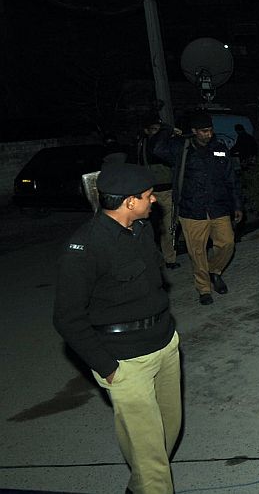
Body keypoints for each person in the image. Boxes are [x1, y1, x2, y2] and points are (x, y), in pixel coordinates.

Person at [53, 163, 182, 494]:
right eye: (148, 196)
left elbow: (153, 285)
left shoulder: (142, 228)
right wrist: (107, 367)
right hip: (125, 360)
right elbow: (67, 318)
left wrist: (170, 336)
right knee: (151, 456)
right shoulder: (84, 248)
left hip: (164, 344)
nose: (154, 201)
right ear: (129, 202)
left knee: (168, 433)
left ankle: (138, 486)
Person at [154, 112, 243, 306]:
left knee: (227, 243)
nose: (208, 134)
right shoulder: (181, 149)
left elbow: (231, 179)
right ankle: (204, 288)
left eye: (210, 130)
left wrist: (237, 205)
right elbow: (158, 149)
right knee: (197, 252)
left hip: (218, 207)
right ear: (194, 131)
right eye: (204, 131)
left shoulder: (219, 148)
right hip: (192, 209)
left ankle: (215, 271)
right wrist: (167, 130)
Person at [134, 113, 179, 269]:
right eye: (154, 130)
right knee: (151, 228)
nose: (157, 133)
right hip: (149, 192)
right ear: (146, 131)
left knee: (168, 226)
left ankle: (169, 258)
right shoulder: (148, 145)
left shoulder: (152, 143)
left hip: (165, 190)